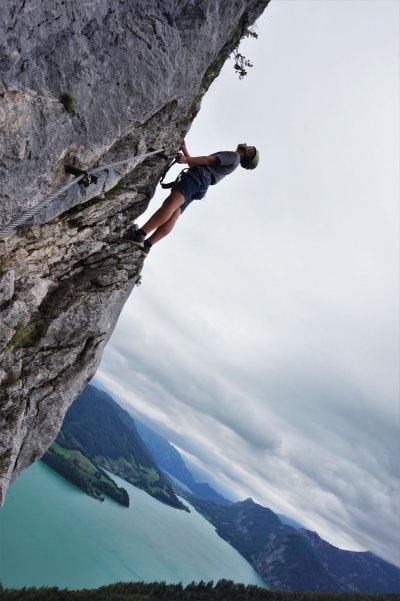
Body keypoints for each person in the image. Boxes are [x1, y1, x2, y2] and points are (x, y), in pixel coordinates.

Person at [125, 140, 259, 254]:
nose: (246, 144)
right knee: (175, 213)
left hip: (197, 177)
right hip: (202, 184)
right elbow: (199, 164)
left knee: (170, 204)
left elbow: (209, 160)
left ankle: (140, 235)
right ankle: (147, 246)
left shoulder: (234, 156)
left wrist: (185, 160)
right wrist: (185, 151)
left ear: (249, 153)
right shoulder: (233, 164)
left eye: (250, 147)